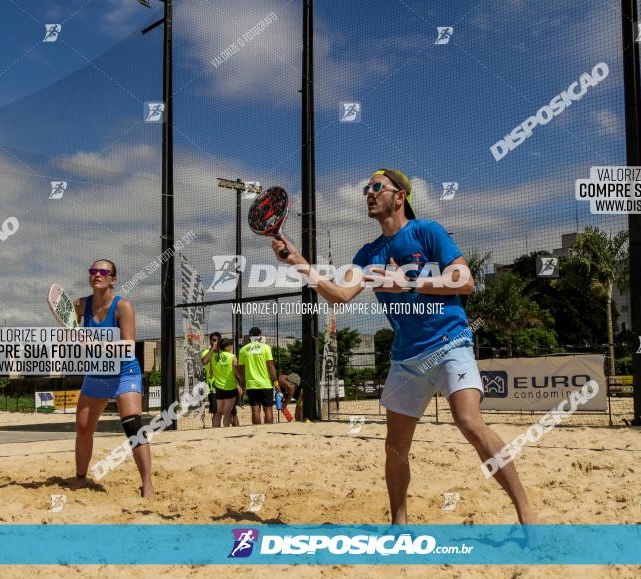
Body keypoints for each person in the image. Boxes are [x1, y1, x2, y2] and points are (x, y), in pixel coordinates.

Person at [269, 168, 537, 524]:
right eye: (367, 187)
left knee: (469, 420)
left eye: (376, 187)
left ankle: (526, 512)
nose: (368, 192)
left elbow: (466, 281)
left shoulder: (427, 232)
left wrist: (408, 280)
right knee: (395, 448)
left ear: (400, 197)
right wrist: (299, 262)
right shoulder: (368, 254)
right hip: (407, 357)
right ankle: (399, 525)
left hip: (450, 342)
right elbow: (338, 296)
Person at [71, 259, 152, 497]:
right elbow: (73, 340)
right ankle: (80, 478)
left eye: (103, 271)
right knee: (83, 428)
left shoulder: (122, 306)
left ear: (113, 279)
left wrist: (94, 344)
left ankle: (147, 484)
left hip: (124, 372)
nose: (97, 274)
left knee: (133, 425)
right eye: (93, 271)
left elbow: (128, 346)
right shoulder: (79, 306)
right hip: (96, 372)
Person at [237, 327, 277, 425]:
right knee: (268, 408)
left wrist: (243, 384)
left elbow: (241, 370)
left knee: (255, 409)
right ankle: (268, 430)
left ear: (250, 336)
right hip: (265, 383)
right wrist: (276, 382)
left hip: (251, 384)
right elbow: (270, 366)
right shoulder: (266, 347)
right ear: (260, 335)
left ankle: (257, 430)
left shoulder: (243, 350)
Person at [210, 338, 244, 427]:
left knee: (219, 411)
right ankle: (225, 430)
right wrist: (241, 382)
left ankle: (216, 430)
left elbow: (211, 373)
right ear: (227, 347)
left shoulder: (214, 357)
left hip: (218, 387)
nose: (231, 347)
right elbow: (237, 373)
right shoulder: (232, 357)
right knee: (228, 411)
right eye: (230, 345)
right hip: (230, 387)